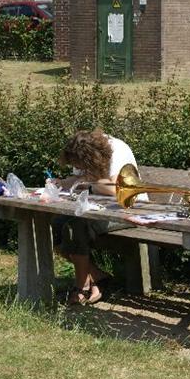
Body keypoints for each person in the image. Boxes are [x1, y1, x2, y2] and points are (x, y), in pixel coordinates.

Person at [52, 129, 147, 305]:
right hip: (99, 209)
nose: (80, 168)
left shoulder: (117, 150)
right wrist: (61, 183)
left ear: (89, 157)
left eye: (82, 165)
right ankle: (98, 276)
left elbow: (116, 189)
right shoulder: (82, 153)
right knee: (55, 225)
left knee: (75, 226)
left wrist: (87, 183)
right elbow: (78, 179)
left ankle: (81, 286)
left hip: (130, 210)